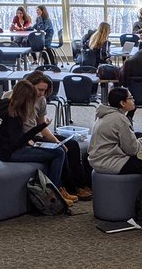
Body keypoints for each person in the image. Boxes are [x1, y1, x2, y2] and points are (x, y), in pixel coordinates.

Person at [0, 79, 78, 204]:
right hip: (10, 154)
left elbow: (14, 137)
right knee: (59, 153)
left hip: (9, 150)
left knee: (57, 149)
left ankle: (58, 189)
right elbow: (17, 142)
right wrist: (39, 128)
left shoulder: (8, 107)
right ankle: (52, 194)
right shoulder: (13, 115)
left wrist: (37, 131)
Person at [22, 70, 92, 198]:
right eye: (39, 89)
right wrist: (56, 144)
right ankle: (69, 188)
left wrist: (56, 140)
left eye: (44, 90)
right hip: (25, 138)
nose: (41, 93)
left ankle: (81, 185)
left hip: (35, 133)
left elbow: (41, 126)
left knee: (71, 145)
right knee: (60, 150)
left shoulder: (41, 100)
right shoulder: (17, 99)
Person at [89, 86, 142, 175]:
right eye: (131, 98)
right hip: (111, 163)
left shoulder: (105, 114)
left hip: (99, 159)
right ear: (122, 103)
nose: (134, 100)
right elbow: (131, 150)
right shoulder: (120, 119)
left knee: (138, 135)